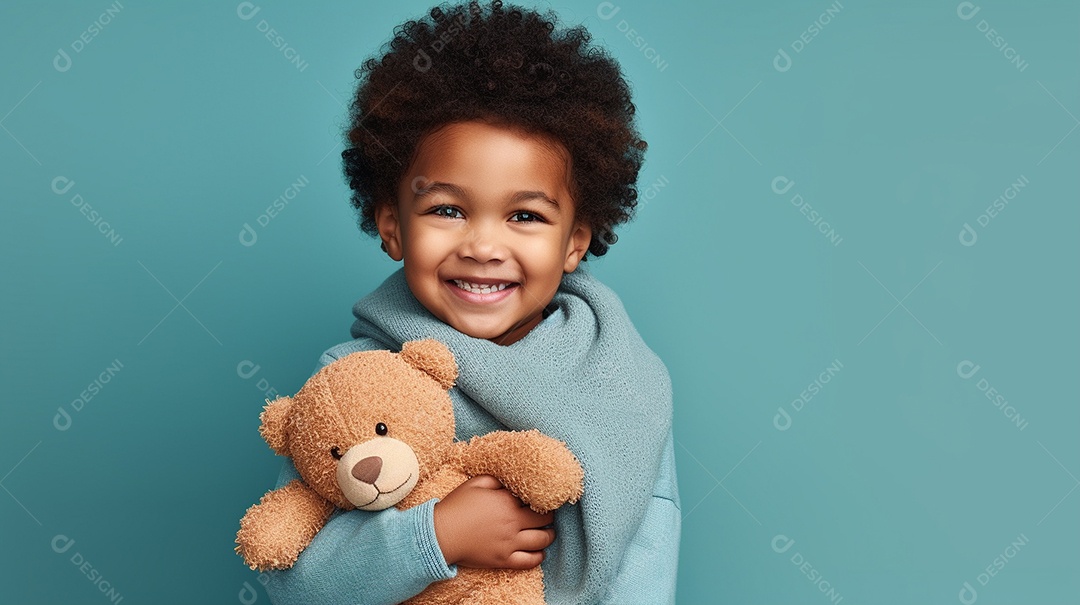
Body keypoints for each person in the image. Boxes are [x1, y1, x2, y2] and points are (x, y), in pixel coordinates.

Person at [260, 1, 679, 603]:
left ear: (574, 243)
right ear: (392, 226)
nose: (484, 246)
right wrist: (437, 535)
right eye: (447, 210)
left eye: (525, 215)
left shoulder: (623, 383)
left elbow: (645, 563)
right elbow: (293, 584)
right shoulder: (354, 383)